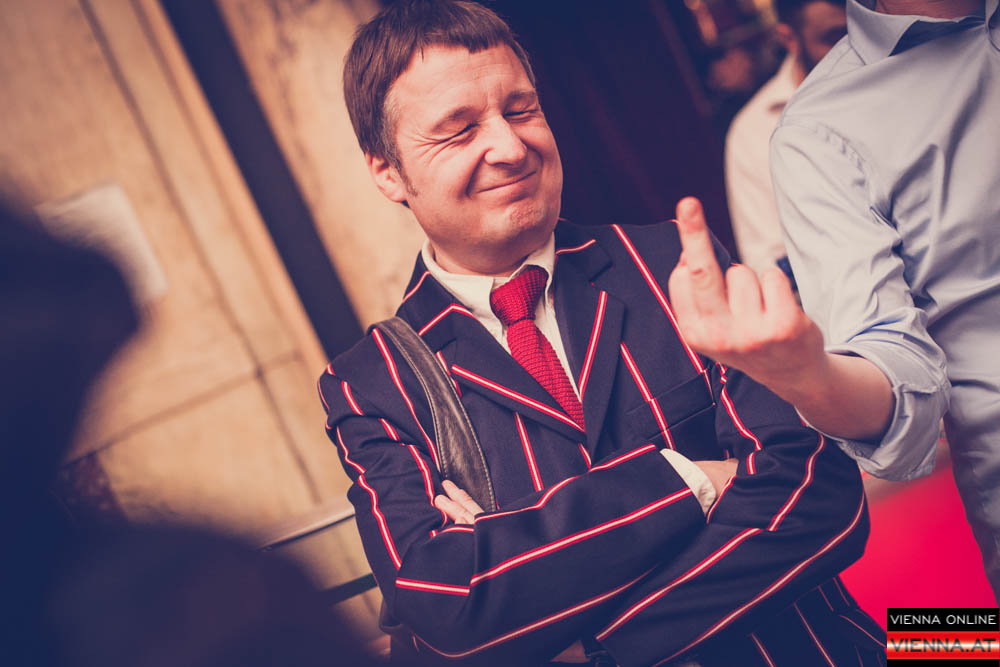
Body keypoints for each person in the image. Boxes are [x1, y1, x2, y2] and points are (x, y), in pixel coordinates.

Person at [319, 2, 885, 665]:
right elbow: (447, 605)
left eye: (522, 110)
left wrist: (596, 644)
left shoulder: (674, 262)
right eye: (459, 129)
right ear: (388, 171)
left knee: (965, 639)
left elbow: (818, 495)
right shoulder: (371, 384)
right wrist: (689, 479)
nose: (510, 147)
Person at [669, 0, 1000, 598]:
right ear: (789, 37)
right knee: (935, 628)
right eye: (823, 35)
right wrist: (809, 372)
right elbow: (782, 275)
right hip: (890, 400)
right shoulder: (799, 131)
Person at [724, 0, 846, 278]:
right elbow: (767, 264)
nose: (853, 49)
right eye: (835, 38)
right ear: (790, 39)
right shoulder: (753, 129)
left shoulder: (896, 82)